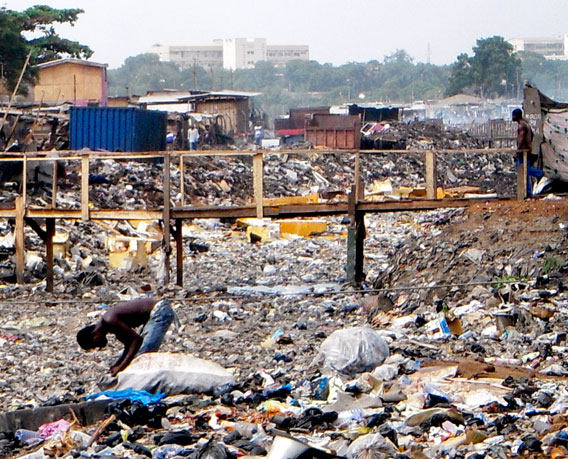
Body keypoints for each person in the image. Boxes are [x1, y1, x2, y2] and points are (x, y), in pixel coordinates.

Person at [77, 297, 176, 376]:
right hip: (154, 314)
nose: (99, 347)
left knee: (145, 354)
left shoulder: (109, 320)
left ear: (94, 335)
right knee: (139, 356)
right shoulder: (110, 326)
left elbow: (136, 340)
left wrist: (121, 368)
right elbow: (129, 345)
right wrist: (117, 365)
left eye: (94, 345)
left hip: (160, 310)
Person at [512, 108, 543, 194]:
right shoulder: (526, 124)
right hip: (527, 150)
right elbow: (532, 135)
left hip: (523, 151)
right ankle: (528, 192)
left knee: (523, 169)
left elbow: (521, 139)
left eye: (513, 115)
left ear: (516, 116)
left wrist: (518, 151)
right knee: (525, 171)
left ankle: (540, 173)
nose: (512, 117)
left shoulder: (521, 125)